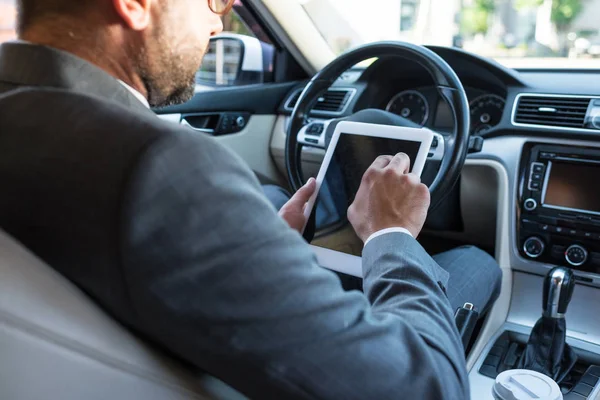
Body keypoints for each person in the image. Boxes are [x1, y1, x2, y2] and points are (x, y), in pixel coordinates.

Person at [0, 0, 501, 398]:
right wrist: (390, 233)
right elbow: (425, 390)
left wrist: (257, 248)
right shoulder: (160, 166)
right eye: (215, 2)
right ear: (134, 4)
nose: (222, 23)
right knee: (475, 262)